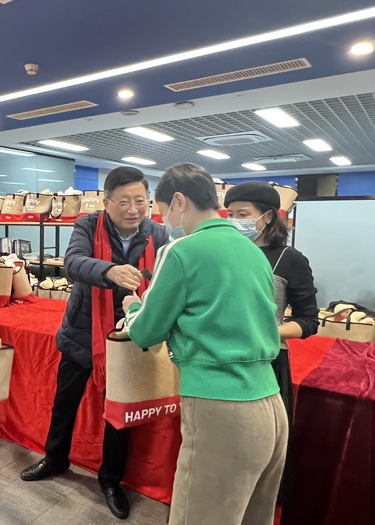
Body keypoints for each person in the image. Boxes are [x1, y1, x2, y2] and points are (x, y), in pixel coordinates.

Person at [123, 163, 288, 525]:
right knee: (252, 517)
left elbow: (146, 332)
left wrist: (132, 306)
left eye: (163, 211)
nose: (165, 220)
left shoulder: (181, 251)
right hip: (271, 404)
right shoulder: (253, 251)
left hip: (221, 407)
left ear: (179, 201)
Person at [20, 166, 167, 520]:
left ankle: (111, 480)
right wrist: (108, 271)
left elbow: (166, 277)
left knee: (118, 413)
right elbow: (73, 263)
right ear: (106, 202)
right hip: (83, 332)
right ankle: (55, 458)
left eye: (140, 201)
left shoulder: (157, 233)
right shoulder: (87, 225)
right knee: (65, 402)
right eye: (124, 201)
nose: (133, 209)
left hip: (128, 336)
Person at [224, 181, 319, 505]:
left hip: (266, 361)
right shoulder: (227, 252)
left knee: (261, 440)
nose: (235, 221)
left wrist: (267, 331)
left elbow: (309, 321)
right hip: (223, 357)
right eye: (231, 214)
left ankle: (261, 502)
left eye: (243, 214)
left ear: (267, 216)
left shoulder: (289, 259)